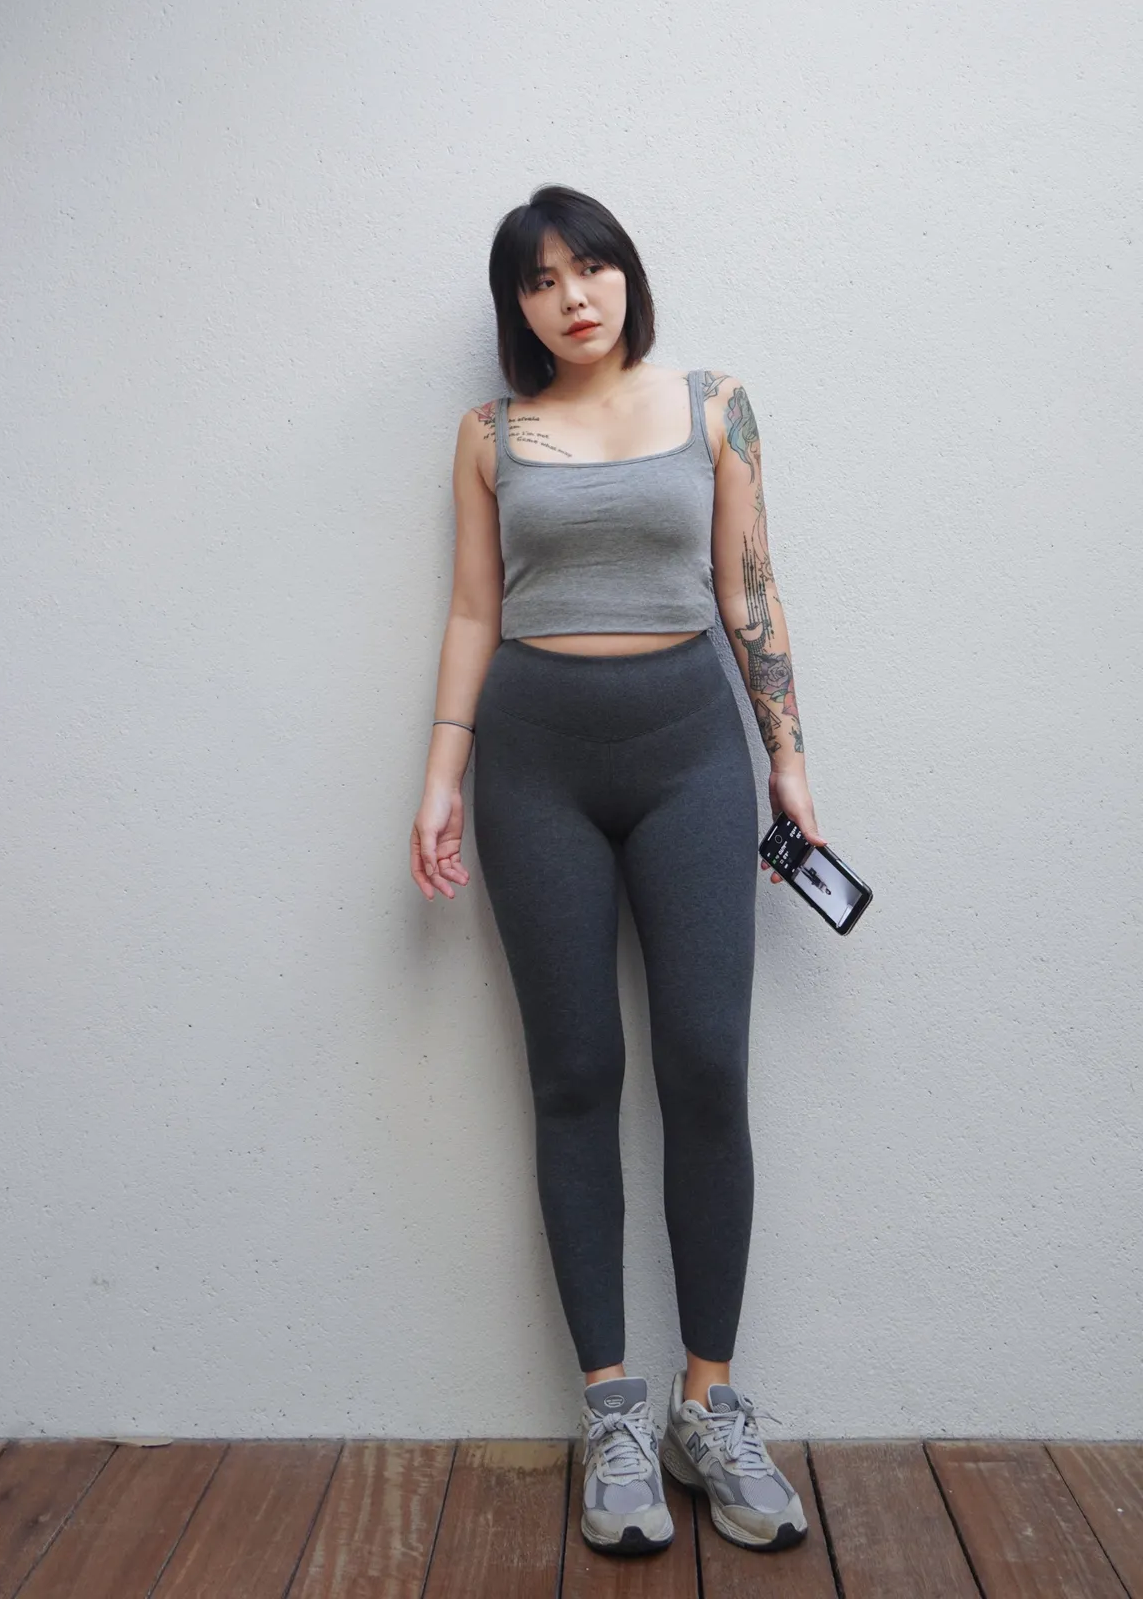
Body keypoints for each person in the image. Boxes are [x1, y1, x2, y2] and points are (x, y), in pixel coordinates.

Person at [409, 184, 825, 1559]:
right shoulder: (488, 437)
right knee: (576, 1073)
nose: (572, 296)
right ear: (516, 309)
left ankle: (711, 1407)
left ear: (627, 275)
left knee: (706, 1061)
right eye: (540, 281)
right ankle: (614, 1418)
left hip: (690, 757)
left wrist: (789, 763)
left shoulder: (716, 406)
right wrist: (442, 772)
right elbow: (475, 607)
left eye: (589, 267)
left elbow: (749, 592)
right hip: (535, 764)